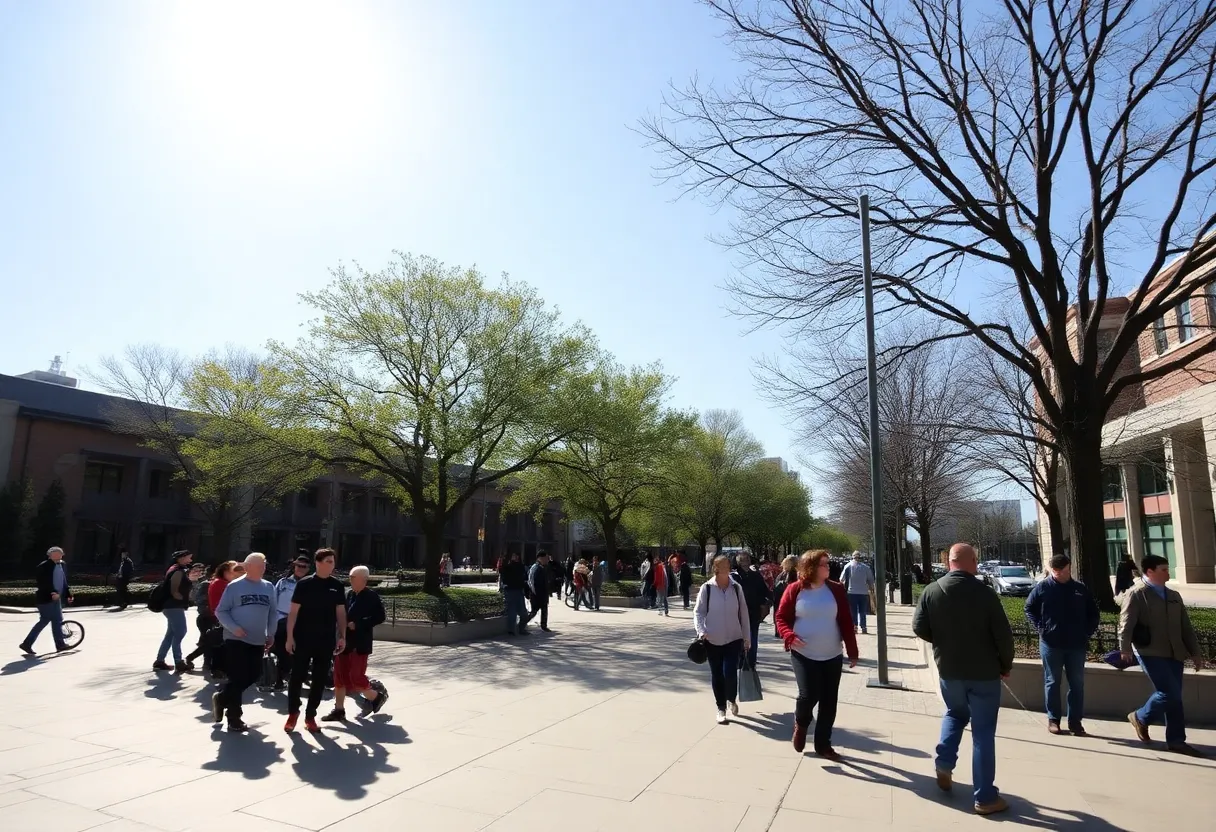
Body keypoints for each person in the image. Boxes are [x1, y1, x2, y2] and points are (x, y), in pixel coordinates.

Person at [913, 543, 1015, 816]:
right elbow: (1003, 635)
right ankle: (985, 797)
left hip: (949, 670)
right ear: (970, 562)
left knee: (955, 714)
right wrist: (1005, 664)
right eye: (977, 561)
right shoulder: (985, 593)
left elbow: (919, 626)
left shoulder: (932, 590)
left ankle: (944, 763)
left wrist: (943, 643)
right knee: (983, 734)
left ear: (950, 562)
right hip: (984, 674)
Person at [775, 550, 859, 759]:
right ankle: (801, 723)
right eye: (824, 564)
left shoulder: (836, 590)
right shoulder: (795, 589)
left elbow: (846, 621)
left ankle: (823, 745)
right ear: (811, 567)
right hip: (803, 653)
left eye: (828, 563)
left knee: (829, 701)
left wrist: (852, 650)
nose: (828, 567)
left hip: (832, 654)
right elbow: (781, 617)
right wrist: (789, 635)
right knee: (809, 694)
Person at [1120, 554, 1206, 757]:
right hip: (1150, 651)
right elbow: (1125, 623)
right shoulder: (1137, 594)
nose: (1168, 573)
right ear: (1150, 571)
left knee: (1175, 698)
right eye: (1164, 569)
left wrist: (1195, 653)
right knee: (1169, 693)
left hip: (1174, 652)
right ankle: (1140, 716)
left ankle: (1176, 741)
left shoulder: (1174, 596)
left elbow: (1186, 627)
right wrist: (1124, 648)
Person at [1023, 554, 1099, 736]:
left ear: (1069, 568)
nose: (1059, 575)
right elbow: (1029, 608)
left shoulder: (1079, 589)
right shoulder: (1043, 588)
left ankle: (1075, 722)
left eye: (1063, 571)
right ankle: (1053, 719)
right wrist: (1041, 628)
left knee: (1077, 683)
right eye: (1055, 572)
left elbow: (1093, 613)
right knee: (1052, 681)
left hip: (1076, 644)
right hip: (1051, 643)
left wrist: (1087, 632)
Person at [211, 553, 277, 732]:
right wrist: (234, 628)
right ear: (248, 567)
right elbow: (221, 611)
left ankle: (222, 698)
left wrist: (271, 633)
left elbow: (273, 613)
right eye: (258, 565)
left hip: (257, 639)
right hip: (235, 639)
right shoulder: (235, 587)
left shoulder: (269, 587)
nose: (262, 568)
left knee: (254, 675)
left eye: (263, 564)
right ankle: (234, 718)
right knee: (238, 676)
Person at [285, 548, 347, 733]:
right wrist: (289, 638)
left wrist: (343, 636)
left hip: (326, 639)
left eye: (333, 561)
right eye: (328, 561)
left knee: (320, 679)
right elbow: (293, 613)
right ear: (318, 563)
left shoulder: (337, 585)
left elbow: (341, 613)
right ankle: (293, 712)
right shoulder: (304, 584)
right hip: (303, 638)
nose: (332, 565)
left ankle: (310, 715)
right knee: (297, 677)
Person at [323, 565, 388, 721]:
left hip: (360, 644)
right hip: (344, 641)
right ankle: (339, 710)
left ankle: (376, 697)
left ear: (363, 579)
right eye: (350, 577)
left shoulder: (371, 596)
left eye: (353, 577)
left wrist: (359, 624)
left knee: (356, 678)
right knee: (339, 676)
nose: (350, 580)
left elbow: (380, 617)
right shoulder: (349, 594)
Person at [693, 554, 751, 725]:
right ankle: (720, 708)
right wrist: (701, 631)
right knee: (717, 674)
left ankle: (731, 699)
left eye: (728, 564)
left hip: (734, 638)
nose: (726, 567)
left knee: (730, 673)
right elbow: (698, 612)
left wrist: (747, 637)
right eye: (722, 565)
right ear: (715, 568)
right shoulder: (707, 588)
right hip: (712, 638)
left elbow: (744, 614)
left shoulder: (736, 588)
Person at [186, 560, 243, 675]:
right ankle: (210, 665)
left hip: (214, 617)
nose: (235, 574)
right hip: (211, 617)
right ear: (225, 572)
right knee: (212, 642)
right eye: (233, 571)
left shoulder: (220, 582)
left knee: (210, 642)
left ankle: (201, 661)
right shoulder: (220, 583)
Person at [154, 551, 202, 672]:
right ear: (182, 558)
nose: (190, 561)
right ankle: (178, 662)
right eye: (189, 558)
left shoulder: (176, 569)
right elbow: (174, 589)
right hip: (174, 606)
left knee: (171, 634)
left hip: (172, 607)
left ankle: (159, 661)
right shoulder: (177, 571)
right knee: (180, 632)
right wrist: (179, 596)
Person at [20, 546, 74, 655]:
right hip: (46, 598)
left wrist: (68, 593)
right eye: (57, 554)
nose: (60, 556)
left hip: (57, 598)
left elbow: (64, 581)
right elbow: (43, 583)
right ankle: (27, 643)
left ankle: (60, 645)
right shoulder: (44, 566)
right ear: (50, 555)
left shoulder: (62, 565)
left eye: (61, 554)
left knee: (57, 621)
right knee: (45, 620)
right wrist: (53, 592)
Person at [272, 555, 311, 689]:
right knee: (280, 651)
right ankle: (279, 678)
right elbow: (274, 601)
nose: (300, 569)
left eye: (303, 567)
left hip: (302, 622)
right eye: (298, 565)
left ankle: (297, 678)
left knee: (298, 652)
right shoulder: (283, 582)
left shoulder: (311, 583)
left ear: (308, 569)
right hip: (281, 620)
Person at [732, 552, 770, 668]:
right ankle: (740, 660)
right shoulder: (734, 577)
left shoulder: (756, 575)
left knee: (753, 637)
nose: (746, 561)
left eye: (747, 558)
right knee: (739, 637)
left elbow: (765, 592)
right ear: (738, 561)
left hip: (754, 612)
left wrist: (766, 603)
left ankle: (751, 661)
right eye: (743, 559)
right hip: (738, 613)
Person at [840, 551, 876, 635]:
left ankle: (854, 626)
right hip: (863, 592)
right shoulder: (866, 567)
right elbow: (871, 581)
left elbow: (841, 579)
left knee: (853, 611)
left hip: (851, 592)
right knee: (862, 611)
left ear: (852, 557)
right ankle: (863, 627)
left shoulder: (848, 566)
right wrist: (872, 590)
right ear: (860, 557)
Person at [500, 552, 530, 635]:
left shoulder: (520, 567)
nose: (516, 557)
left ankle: (521, 629)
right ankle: (512, 630)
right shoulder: (507, 567)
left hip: (519, 591)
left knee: (523, 612)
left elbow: (524, 578)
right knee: (512, 612)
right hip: (510, 591)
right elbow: (503, 578)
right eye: (514, 556)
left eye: (517, 556)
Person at [527, 552, 553, 632]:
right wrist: (535, 593)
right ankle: (522, 623)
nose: (547, 560)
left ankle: (544, 625)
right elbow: (531, 582)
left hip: (543, 593)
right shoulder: (535, 567)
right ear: (540, 558)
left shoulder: (543, 567)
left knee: (544, 610)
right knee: (534, 611)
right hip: (537, 594)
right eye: (545, 558)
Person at [772, 555, 797, 637]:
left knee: (780, 613)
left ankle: (780, 631)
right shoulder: (788, 572)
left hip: (782, 596)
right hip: (783, 596)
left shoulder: (788, 573)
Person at [653, 552, 669, 616]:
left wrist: (655, 584)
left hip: (660, 584)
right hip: (665, 584)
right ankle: (666, 609)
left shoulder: (658, 567)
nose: (654, 561)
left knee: (659, 597)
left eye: (655, 560)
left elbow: (657, 577)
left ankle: (660, 610)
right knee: (664, 597)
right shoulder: (663, 566)